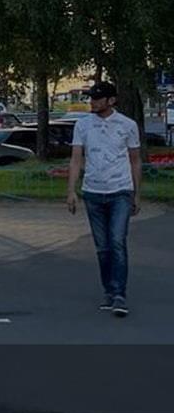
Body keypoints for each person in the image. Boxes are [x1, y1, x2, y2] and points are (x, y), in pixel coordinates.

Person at [65, 81, 142, 317]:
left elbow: (135, 160)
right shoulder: (83, 125)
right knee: (102, 247)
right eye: (91, 98)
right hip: (93, 192)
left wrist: (136, 193)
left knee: (117, 241)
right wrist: (71, 190)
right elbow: (76, 158)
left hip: (120, 190)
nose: (93, 102)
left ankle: (119, 294)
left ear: (111, 101)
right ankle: (108, 290)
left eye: (97, 98)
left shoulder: (127, 125)